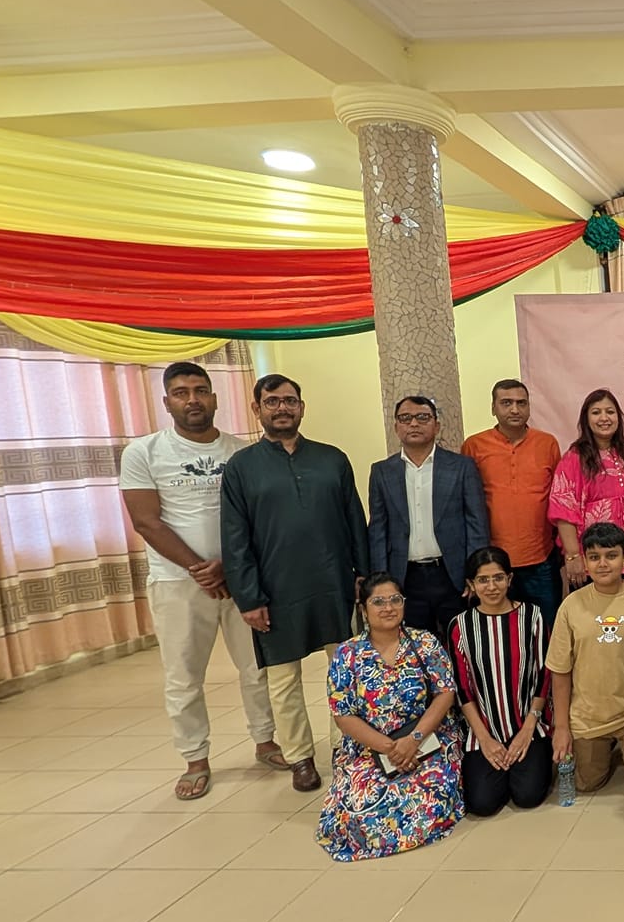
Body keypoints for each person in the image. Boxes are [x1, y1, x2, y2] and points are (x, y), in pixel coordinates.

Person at [122, 361, 285, 801]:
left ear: (214, 397)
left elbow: (259, 518)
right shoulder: (144, 452)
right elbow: (146, 521)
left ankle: (266, 740)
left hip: (241, 579)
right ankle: (195, 757)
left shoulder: (242, 452)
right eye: (181, 392)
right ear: (167, 402)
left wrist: (229, 568)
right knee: (184, 675)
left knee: (257, 667)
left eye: (200, 390)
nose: (192, 400)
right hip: (177, 582)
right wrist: (201, 568)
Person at [220, 374, 365, 792]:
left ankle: (345, 748)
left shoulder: (332, 459)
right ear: (257, 409)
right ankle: (300, 757)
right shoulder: (241, 468)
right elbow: (235, 538)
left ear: (302, 407)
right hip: (276, 590)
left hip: (335, 583)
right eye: (272, 402)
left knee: (344, 672)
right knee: (283, 681)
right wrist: (248, 597)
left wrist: (364, 577)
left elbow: (355, 522)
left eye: (289, 401)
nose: (282, 408)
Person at [314, 574, 464, 861]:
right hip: (370, 748)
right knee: (360, 809)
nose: (388, 608)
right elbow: (343, 715)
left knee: (425, 796)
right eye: (378, 602)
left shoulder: (424, 642)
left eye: (395, 600)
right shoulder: (347, 654)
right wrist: (390, 748)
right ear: (363, 609)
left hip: (428, 739)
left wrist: (413, 740)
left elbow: (445, 693)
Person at [547, 522, 624, 793]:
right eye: (594, 557)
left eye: (611, 555)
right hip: (588, 718)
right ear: (585, 562)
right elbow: (560, 671)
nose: (602, 564)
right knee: (587, 785)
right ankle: (603, 749)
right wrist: (562, 728)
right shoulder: (571, 606)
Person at [368, 395, 490, 639]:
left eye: (422, 417)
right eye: (406, 418)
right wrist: (381, 583)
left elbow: (476, 523)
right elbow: (378, 530)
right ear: (396, 427)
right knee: (414, 647)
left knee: (463, 643)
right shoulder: (382, 471)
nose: (414, 423)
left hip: (452, 574)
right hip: (405, 577)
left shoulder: (461, 467)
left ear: (436, 425)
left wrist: (476, 574)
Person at [451, 547, 553, 816]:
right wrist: (484, 739)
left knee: (528, 796)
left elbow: (544, 675)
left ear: (509, 579)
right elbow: (462, 689)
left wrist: (528, 728)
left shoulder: (532, 616)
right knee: (482, 804)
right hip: (483, 728)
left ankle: (526, 760)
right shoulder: (460, 625)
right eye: (483, 580)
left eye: (498, 578)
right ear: (471, 584)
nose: (492, 586)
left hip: (528, 723)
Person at [465, 379, 566, 622]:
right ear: (493, 408)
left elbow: (560, 497)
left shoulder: (547, 443)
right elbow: (466, 502)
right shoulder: (474, 446)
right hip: (493, 564)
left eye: (521, 403)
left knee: (545, 629)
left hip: (541, 559)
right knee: (499, 632)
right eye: (506, 403)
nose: (514, 409)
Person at [550, 388, 624, 587]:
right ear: (586, 419)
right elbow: (563, 512)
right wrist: (573, 556)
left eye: (610, 412)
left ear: (618, 417)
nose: (604, 418)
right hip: (594, 558)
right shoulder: (574, 458)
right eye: (596, 412)